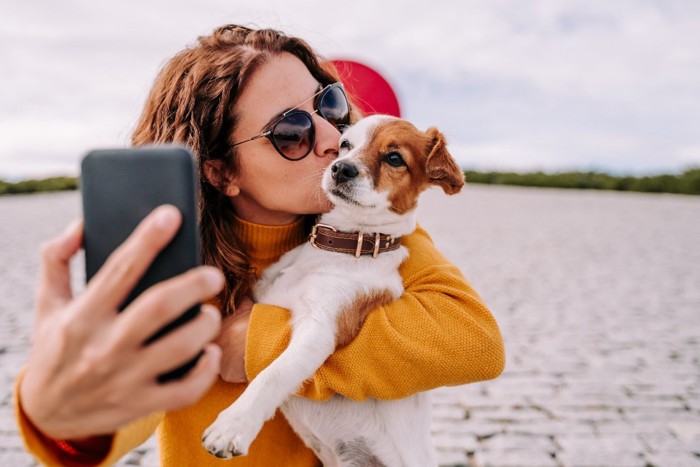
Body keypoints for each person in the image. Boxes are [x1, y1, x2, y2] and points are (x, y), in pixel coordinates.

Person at [14, 24, 505, 466]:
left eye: (329, 104)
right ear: (221, 171)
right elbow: (121, 414)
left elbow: (475, 343)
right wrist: (61, 415)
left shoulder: (373, 233)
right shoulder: (181, 273)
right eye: (291, 132)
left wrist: (256, 342)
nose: (334, 138)